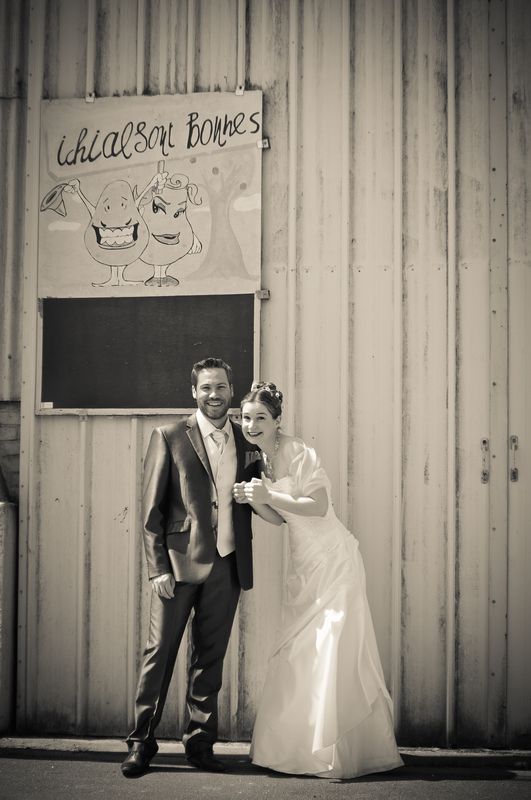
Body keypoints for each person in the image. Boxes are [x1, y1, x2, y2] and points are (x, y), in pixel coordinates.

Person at [233, 382, 403, 780]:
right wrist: (254, 499)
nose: (252, 425)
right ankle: (294, 751)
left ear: (277, 421)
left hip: (333, 560)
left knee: (330, 646)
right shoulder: (259, 459)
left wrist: (267, 495)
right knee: (301, 651)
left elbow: (318, 506)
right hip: (303, 565)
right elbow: (280, 518)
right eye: (247, 418)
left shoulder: (297, 451)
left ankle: (337, 753)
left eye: (261, 418)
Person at [121, 358, 261, 777]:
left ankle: (200, 744)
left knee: (210, 659)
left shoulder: (247, 440)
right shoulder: (168, 436)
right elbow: (151, 512)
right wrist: (157, 568)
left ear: (231, 390)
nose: (214, 395)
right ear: (194, 392)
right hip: (177, 567)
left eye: (221, 387)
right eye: (206, 388)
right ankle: (141, 743)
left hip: (228, 564)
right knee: (159, 654)